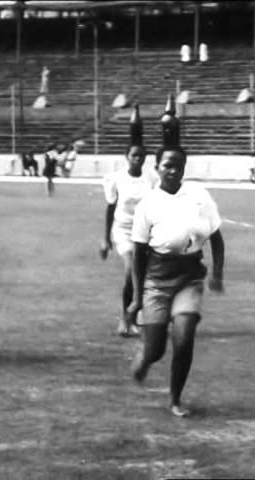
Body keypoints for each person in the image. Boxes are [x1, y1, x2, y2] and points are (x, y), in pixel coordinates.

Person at [126, 95, 225, 417]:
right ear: (157, 169)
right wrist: (137, 297)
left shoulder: (199, 195)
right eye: (167, 165)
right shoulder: (148, 203)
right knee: (156, 350)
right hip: (156, 278)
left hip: (189, 278)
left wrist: (217, 274)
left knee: (184, 338)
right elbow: (139, 253)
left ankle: (175, 398)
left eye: (178, 165)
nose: (172, 170)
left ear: (184, 168)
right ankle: (145, 355)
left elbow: (216, 237)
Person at [100, 104, 155, 337]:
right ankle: (125, 318)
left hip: (145, 232)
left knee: (142, 275)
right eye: (134, 155)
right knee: (130, 271)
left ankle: (137, 314)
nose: (138, 159)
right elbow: (110, 207)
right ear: (127, 157)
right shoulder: (117, 178)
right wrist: (105, 239)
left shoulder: (151, 179)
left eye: (141, 156)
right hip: (122, 230)